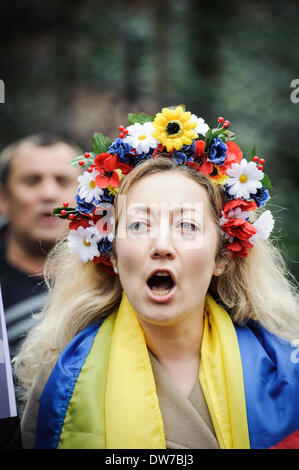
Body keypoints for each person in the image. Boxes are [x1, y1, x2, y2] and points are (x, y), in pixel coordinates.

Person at [14, 106, 299, 449]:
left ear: (221, 257)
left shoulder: (287, 376)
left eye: (187, 226)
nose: (162, 245)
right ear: (113, 256)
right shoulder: (61, 379)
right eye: (139, 225)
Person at [0, 134, 81, 358]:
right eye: (32, 180)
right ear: (3, 198)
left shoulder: (113, 280)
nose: (48, 194)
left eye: (62, 181)